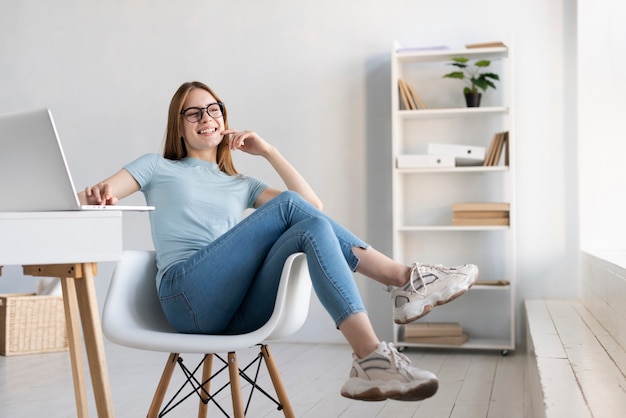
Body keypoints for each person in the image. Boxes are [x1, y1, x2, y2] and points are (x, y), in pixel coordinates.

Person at [79, 81, 478, 402]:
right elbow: (95, 194)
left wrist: (268, 151)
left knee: (312, 228)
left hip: (232, 308)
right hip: (185, 297)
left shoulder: (241, 184)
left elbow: (315, 209)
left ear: (225, 119)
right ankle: (403, 279)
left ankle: (369, 359)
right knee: (291, 208)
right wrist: (98, 197)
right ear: (178, 124)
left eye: (214, 108)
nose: (207, 117)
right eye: (194, 112)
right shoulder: (156, 166)